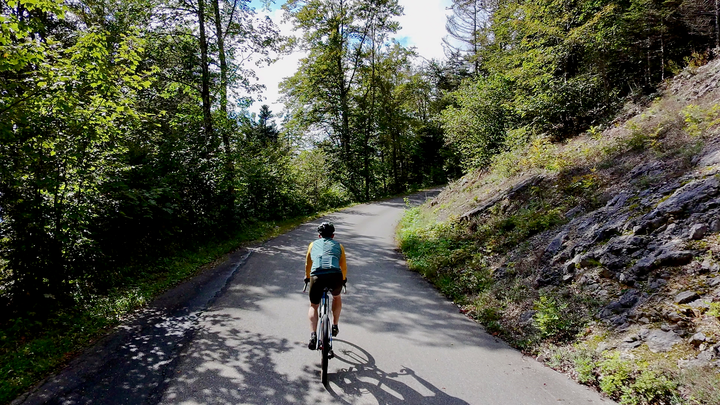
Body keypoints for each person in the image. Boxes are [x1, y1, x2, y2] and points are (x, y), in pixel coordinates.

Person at [304, 221, 347, 350]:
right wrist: (343, 280)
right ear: (333, 236)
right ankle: (334, 325)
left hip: (317, 276)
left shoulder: (312, 245)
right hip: (335, 275)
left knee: (313, 305)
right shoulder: (339, 246)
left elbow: (308, 264)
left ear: (319, 236)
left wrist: (307, 277)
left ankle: (313, 335)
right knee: (337, 297)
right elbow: (343, 266)